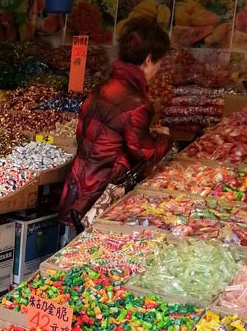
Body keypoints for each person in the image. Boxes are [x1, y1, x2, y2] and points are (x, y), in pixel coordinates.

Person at [58, 18, 172, 229]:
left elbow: (84, 135)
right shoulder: (137, 104)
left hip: (78, 187)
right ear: (148, 60)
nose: (158, 70)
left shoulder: (101, 88)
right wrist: (163, 137)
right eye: (159, 63)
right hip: (101, 195)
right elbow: (144, 152)